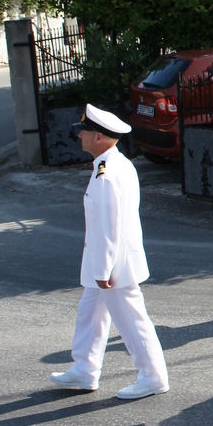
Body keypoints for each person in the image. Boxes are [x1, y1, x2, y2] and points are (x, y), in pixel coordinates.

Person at [48, 105, 170, 400]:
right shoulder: (114, 163)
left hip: (114, 263)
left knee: (132, 319)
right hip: (107, 259)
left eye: (85, 132)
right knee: (90, 313)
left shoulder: (107, 174)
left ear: (99, 136)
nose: (80, 137)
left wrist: (102, 271)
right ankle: (84, 369)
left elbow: (107, 227)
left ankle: (153, 377)